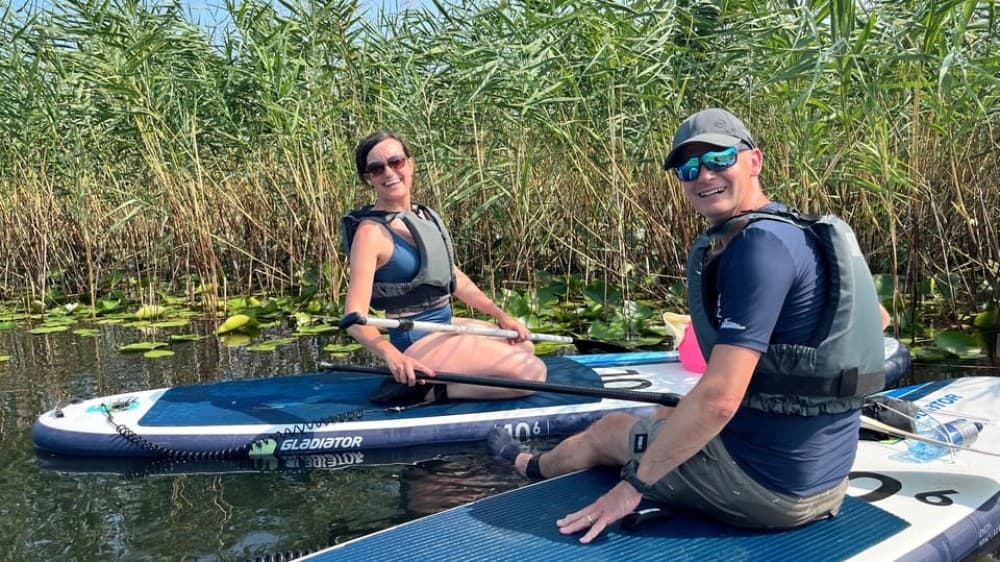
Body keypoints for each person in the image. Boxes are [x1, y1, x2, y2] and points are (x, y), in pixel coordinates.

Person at [489, 108, 891, 542]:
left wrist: (632, 488)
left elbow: (719, 401)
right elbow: (878, 321)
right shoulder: (802, 233)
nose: (703, 175)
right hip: (829, 481)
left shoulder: (757, 246)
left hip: (767, 490)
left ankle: (531, 466)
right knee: (668, 411)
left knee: (609, 431)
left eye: (719, 159)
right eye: (688, 168)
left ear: (753, 161)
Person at [341, 130, 546, 405]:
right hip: (414, 337)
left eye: (396, 162)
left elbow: (452, 276)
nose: (389, 173)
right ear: (369, 179)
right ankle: (431, 391)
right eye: (377, 169)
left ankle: (444, 377)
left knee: (523, 346)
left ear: (410, 164)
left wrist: (499, 314)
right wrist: (394, 356)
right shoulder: (370, 234)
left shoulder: (423, 215)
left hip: (445, 324)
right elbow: (354, 319)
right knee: (530, 372)